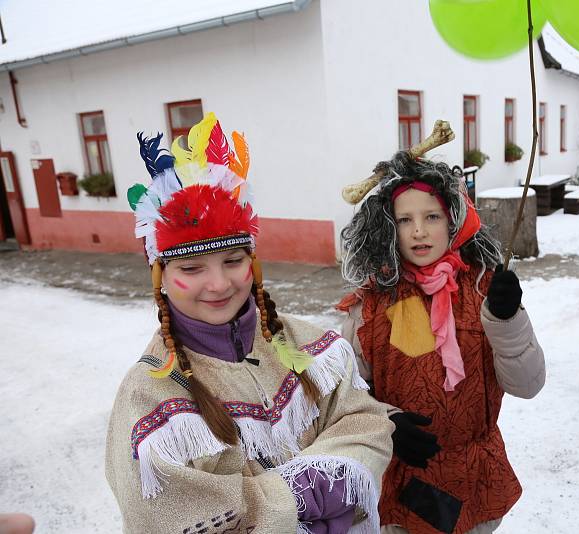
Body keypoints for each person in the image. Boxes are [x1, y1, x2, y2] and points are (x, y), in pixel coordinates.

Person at [105, 113, 393, 533]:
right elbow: (165, 513)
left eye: (233, 261)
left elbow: (364, 419)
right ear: (160, 277)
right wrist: (293, 496)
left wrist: (335, 470)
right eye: (192, 267)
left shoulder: (314, 348)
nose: (218, 284)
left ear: (253, 263)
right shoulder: (147, 397)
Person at [337, 152, 546, 534]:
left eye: (431, 217)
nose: (419, 231)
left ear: (453, 219)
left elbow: (527, 385)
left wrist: (507, 321)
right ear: (387, 227)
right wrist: (385, 423)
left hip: (474, 479)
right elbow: (344, 394)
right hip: (405, 486)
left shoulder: (484, 291)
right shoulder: (371, 305)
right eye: (405, 219)